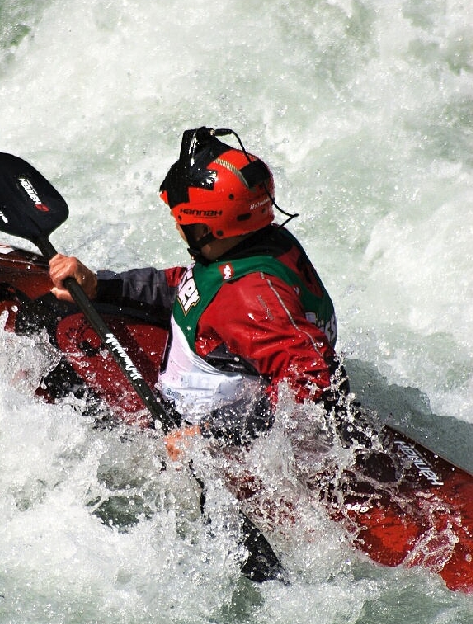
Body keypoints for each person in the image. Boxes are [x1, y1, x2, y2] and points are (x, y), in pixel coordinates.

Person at [48, 126, 344, 453]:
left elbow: (314, 385)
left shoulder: (245, 296)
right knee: (63, 315)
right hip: (214, 382)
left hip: (204, 432)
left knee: (49, 346)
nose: (176, 225)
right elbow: (189, 286)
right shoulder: (256, 244)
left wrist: (207, 435)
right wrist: (100, 286)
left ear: (208, 227)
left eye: (181, 219)